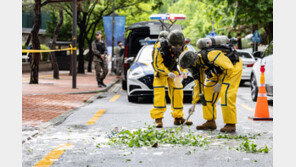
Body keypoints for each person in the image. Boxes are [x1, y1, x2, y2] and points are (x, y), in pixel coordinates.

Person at [178, 36, 243, 133]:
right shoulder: (198, 66)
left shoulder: (211, 55)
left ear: (194, 61)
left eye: (190, 67)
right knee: (206, 93)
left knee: (226, 95)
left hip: (232, 69)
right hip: (219, 71)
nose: (191, 69)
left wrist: (220, 84)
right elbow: (198, 85)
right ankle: (210, 121)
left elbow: (228, 67)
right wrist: (194, 103)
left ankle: (230, 124)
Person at [150, 30, 193, 128]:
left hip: (173, 69)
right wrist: (167, 73)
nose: (178, 48)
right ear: (170, 44)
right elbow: (157, 64)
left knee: (178, 92)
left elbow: (184, 60)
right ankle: (158, 119)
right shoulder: (160, 47)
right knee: (159, 94)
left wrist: (183, 71)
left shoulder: (183, 47)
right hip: (161, 71)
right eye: (175, 46)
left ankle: (178, 117)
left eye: (179, 46)